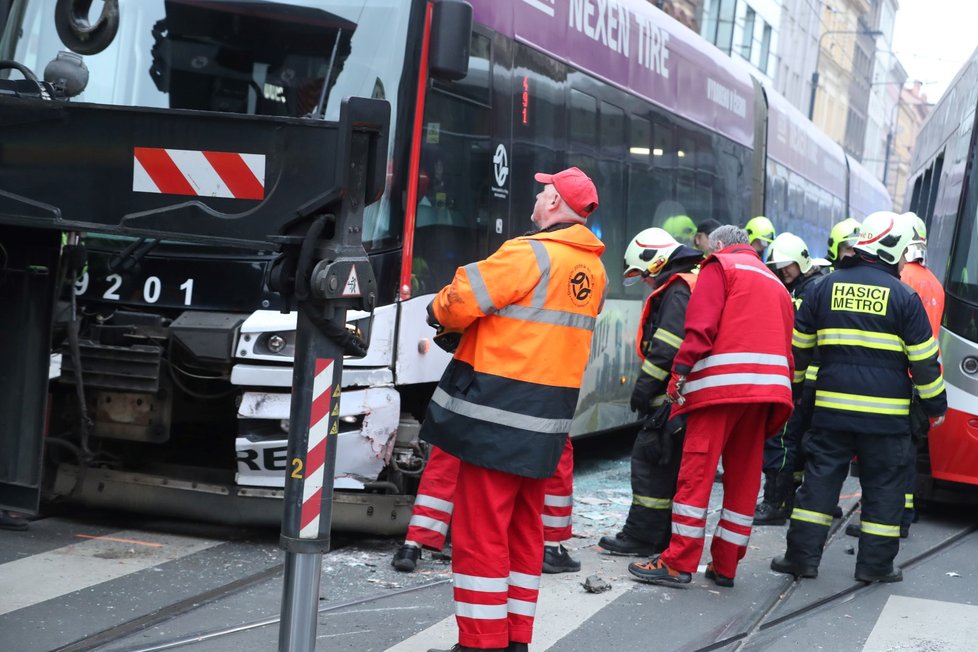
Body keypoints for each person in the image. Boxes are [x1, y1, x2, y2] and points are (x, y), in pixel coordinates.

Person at [423, 167, 607, 652]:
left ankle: (480, 643)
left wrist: (438, 310)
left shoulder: (530, 251)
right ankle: (516, 638)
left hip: (496, 415)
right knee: (526, 531)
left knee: (480, 533)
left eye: (543, 191)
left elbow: (462, 299)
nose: (537, 198)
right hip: (546, 421)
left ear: (553, 205)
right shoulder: (594, 269)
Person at [771, 211, 946, 584]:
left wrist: (798, 391)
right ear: (893, 249)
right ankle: (875, 566)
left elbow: (799, 350)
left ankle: (802, 559)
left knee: (818, 485)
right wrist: (936, 406)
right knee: (884, 489)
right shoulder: (904, 297)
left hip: (831, 413)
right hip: (887, 421)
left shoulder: (822, 288)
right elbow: (924, 362)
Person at [627, 224, 795, 588]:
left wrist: (678, 378)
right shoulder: (775, 281)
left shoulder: (719, 267)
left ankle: (678, 561)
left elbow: (700, 328)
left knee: (697, 473)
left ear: (718, 246)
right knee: (744, 480)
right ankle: (726, 565)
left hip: (720, 391)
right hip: (767, 395)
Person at [598, 228, 703, 556]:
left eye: (643, 273)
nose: (644, 281)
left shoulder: (676, 291)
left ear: (655, 260)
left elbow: (667, 346)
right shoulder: (689, 282)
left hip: (674, 395)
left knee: (649, 459)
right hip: (686, 393)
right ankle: (657, 535)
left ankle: (642, 537)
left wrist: (643, 390)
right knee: (665, 465)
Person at [845, 212, 945, 540]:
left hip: (895, 380)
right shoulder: (934, 284)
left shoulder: (902, 280)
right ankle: (903, 514)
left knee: (886, 461)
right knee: (907, 454)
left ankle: (888, 519)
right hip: (924, 378)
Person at [391, 439, 582, 574]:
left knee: (450, 450)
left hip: (480, 392)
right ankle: (550, 547)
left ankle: (412, 546)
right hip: (538, 392)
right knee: (555, 446)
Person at [754, 233, 826, 525]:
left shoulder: (807, 292)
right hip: (810, 381)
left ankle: (775, 503)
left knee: (780, 439)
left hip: (800, 381)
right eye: (780, 267)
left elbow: (798, 342)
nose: (783, 272)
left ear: (801, 261)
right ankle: (794, 497)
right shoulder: (810, 287)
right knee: (799, 442)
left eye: (787, 267)